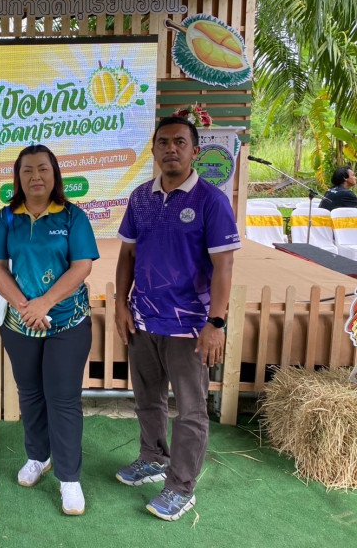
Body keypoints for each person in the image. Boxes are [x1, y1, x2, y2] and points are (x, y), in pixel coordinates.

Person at [114, 116, 241, 522]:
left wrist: (216, 323)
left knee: (190, 411)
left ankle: (181, 487)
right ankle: (152, 458)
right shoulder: (140, 198)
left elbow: (224, 266)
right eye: (163, 142)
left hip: (190, 327)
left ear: (195, 151)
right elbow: (127, 255)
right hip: (143, 320)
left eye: (180, 142)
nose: (171, 149)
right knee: (148, 399)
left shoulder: (211, 200)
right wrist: (121, 303)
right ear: (153, 150)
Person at [0, 144, 99, 516]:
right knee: (31, 394)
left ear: (55, 175)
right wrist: (25, 307)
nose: (36, 176)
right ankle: (38, 457)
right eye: (27, 170)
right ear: (17, 177)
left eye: (43, 169)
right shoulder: (6, 218)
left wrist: (45, 303)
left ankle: (69, 478)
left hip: (68, 321)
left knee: (62, 399)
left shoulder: (73, 216)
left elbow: (82, 266)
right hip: (20, 324)